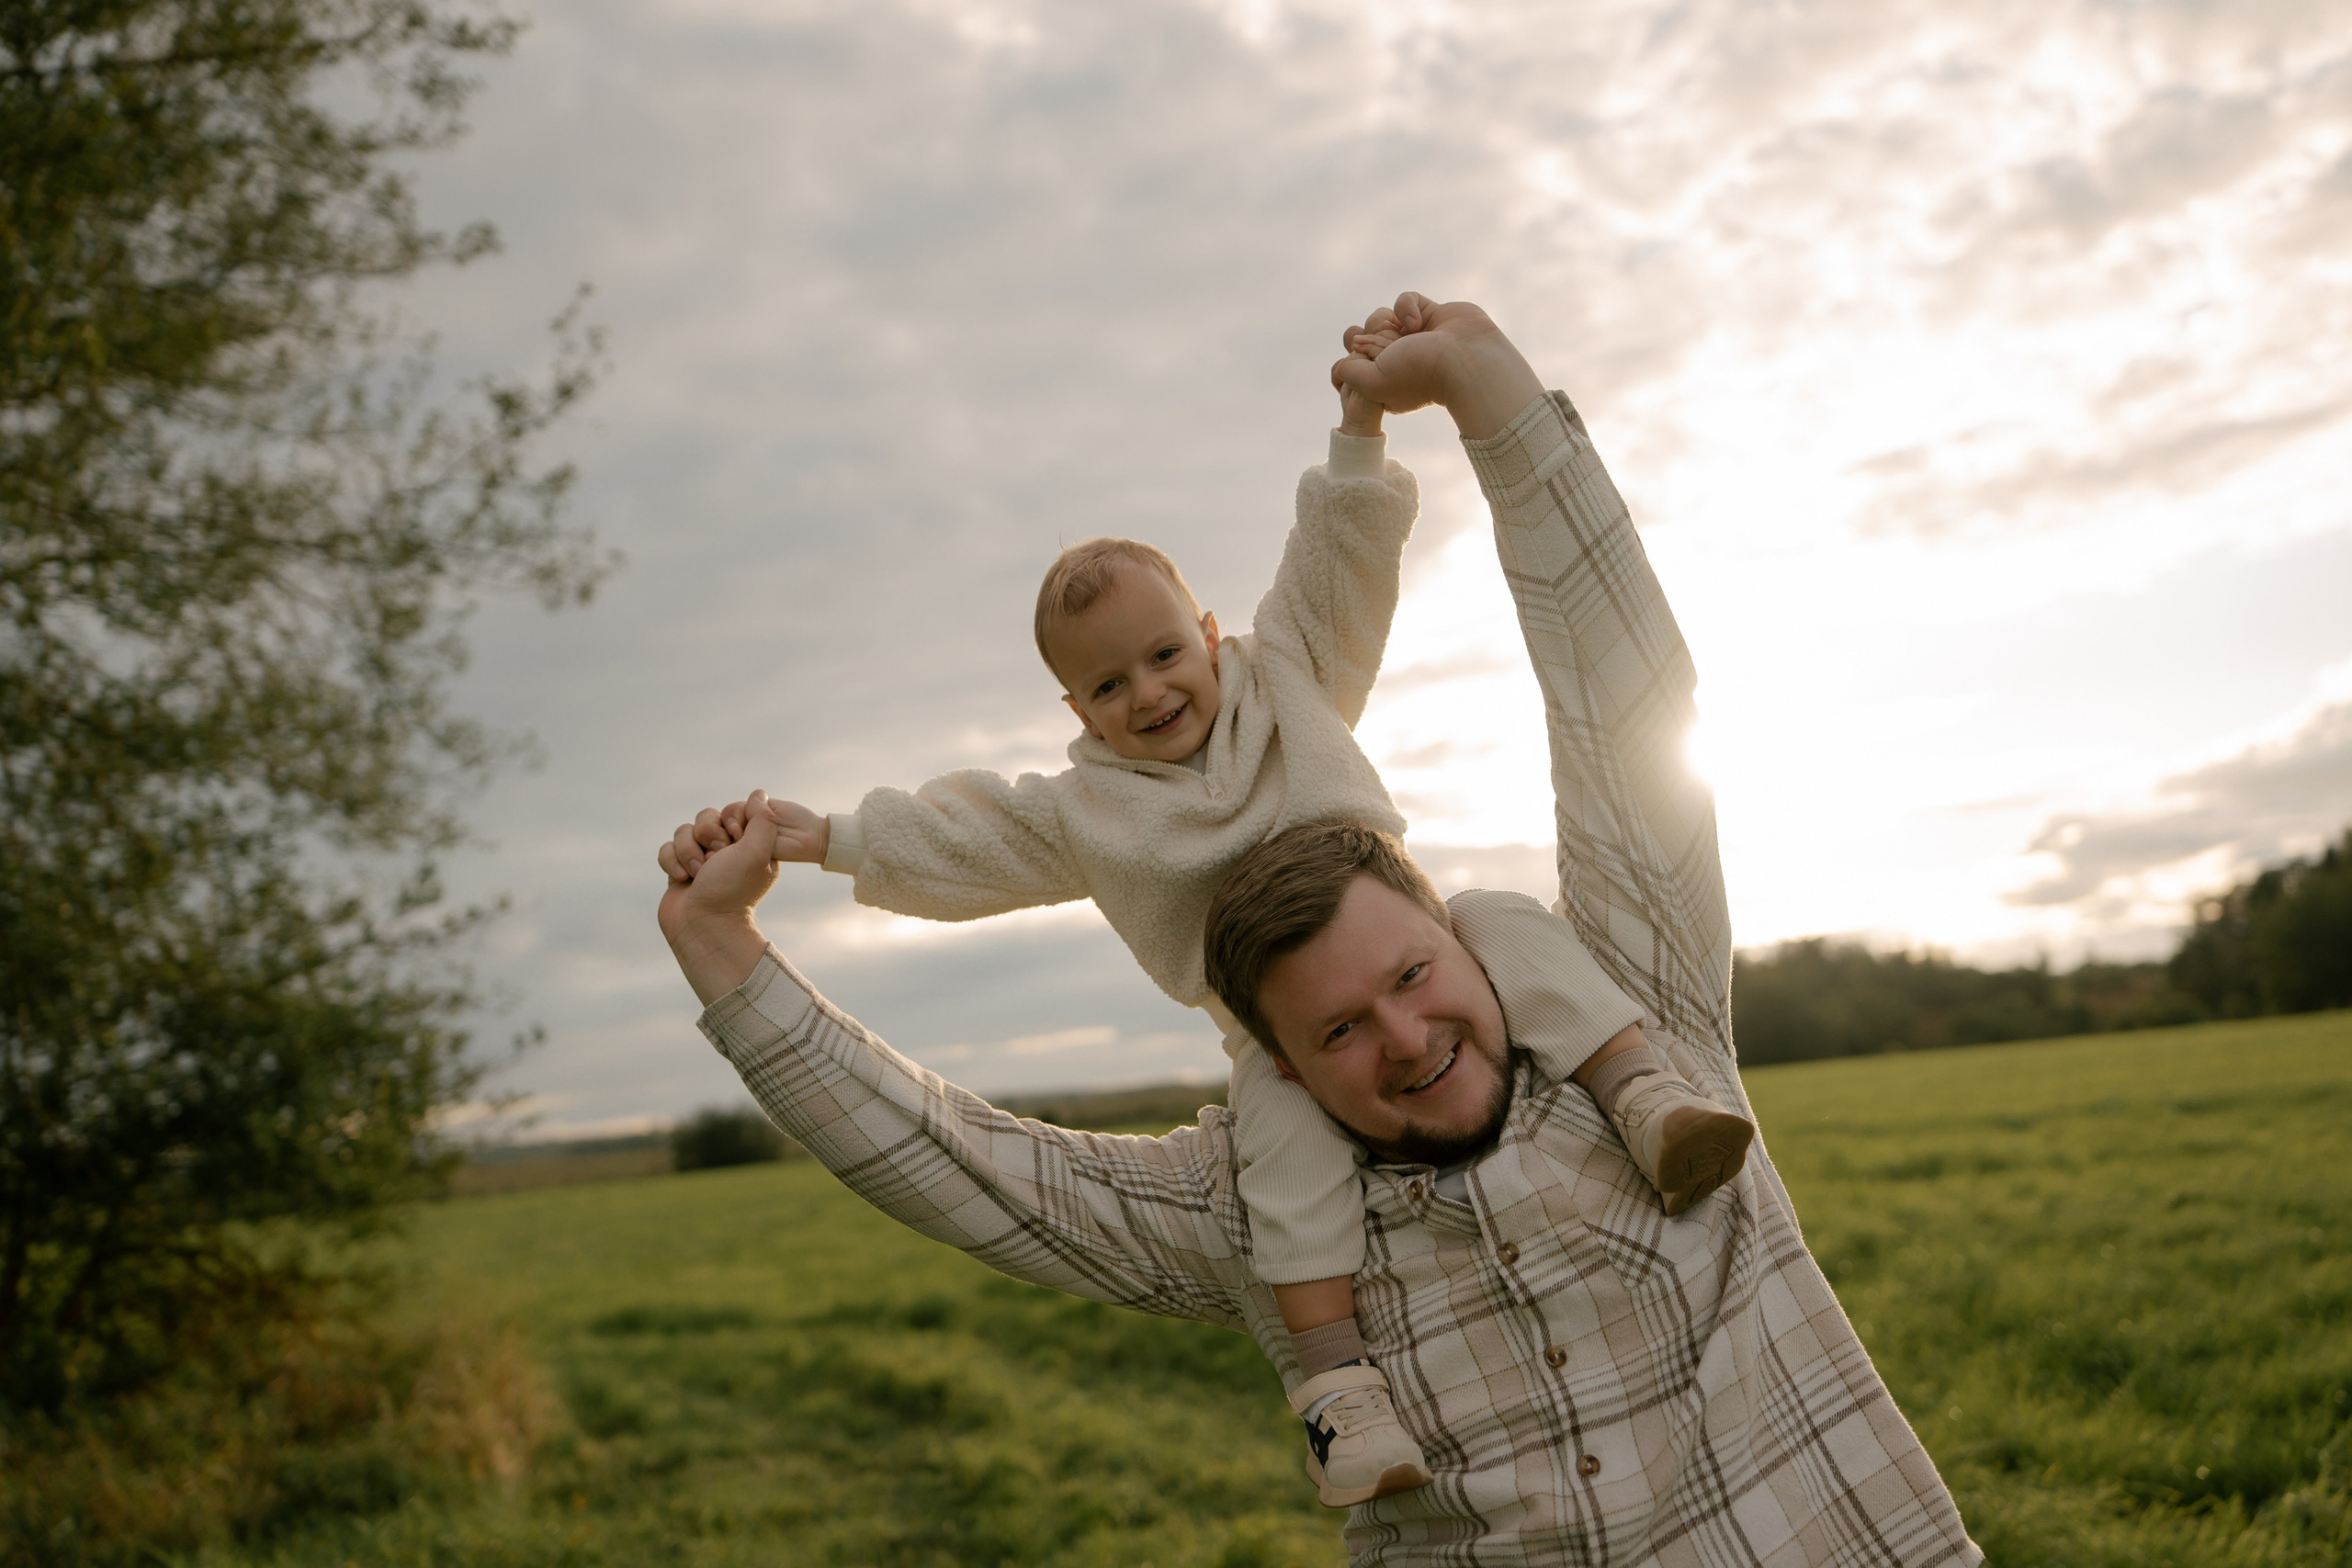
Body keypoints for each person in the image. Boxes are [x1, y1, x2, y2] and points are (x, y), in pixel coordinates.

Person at [657, 295, 1982, 1563]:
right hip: (1273, 1117)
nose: (1405, 1043)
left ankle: (1638, 1103)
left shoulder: (1628, 987)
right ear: (1075, 708)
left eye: (1414, 976)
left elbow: (1610, 704)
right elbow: (964, 1157)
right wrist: (779, 882)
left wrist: (1465, 401)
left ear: (1214, 642)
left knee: (1529, 947)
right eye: (1340, 1030)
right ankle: (1342, 1392)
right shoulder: (1233, 1138)